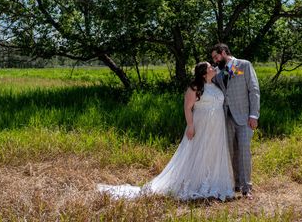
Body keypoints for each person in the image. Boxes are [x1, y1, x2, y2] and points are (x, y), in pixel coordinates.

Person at [97, 61, 234, 201]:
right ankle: (195, 182)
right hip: (201, 125)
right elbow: (187, 108)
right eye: (210, 67)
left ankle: (212, 181)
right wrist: (190, 125)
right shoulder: (195, 87)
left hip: (217, 127)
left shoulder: (216, 85)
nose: (213, 68)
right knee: (198, 152)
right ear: (204, 73)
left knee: (212, 152)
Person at [211, 43, 260, 199]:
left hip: (245, 117)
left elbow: (254, 90)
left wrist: (254, 115)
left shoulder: (244, 65)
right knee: (231, 153)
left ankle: (247, 188)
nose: (215, 60)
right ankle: (236, 184)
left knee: (244, 152)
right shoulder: (218, 72)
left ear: (224, 52)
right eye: (213, 58)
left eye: (216, 56)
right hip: (226, 118)